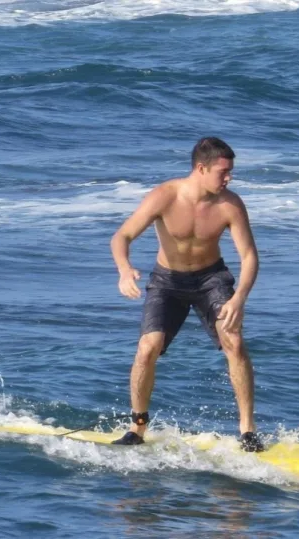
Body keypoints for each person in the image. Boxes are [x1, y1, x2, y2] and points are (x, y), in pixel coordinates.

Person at [109, 137, 263, 452]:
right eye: (223, 172)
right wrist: (124, 270)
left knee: (234, 341)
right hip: (167, 281)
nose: (229, 178)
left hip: (211, 279)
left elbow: (249, 256)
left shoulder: (230, 204)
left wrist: (239, 298)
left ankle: (248, 431)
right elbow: (122, 236)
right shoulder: (165, 196)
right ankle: (137, 427)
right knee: (147, 348)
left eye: (230, 171)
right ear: (201, 168)